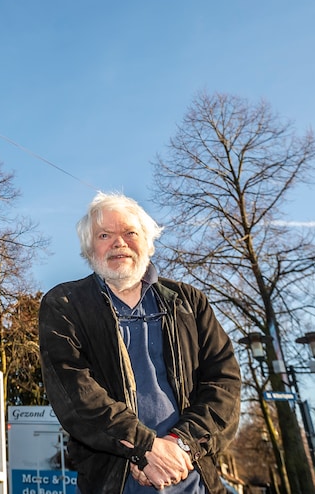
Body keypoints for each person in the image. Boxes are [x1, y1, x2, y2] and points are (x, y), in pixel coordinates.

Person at [38, 192, 241, 494]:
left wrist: (181, 445)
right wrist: (144, 449)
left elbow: (224, 384)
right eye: (104, 234)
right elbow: (74, 393)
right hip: (114, 483)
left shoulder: (190, 303)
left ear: (148, 241)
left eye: (130, 232)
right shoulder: (65, 305)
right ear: (89, 249)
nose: (119, 242)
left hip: (194, 479)